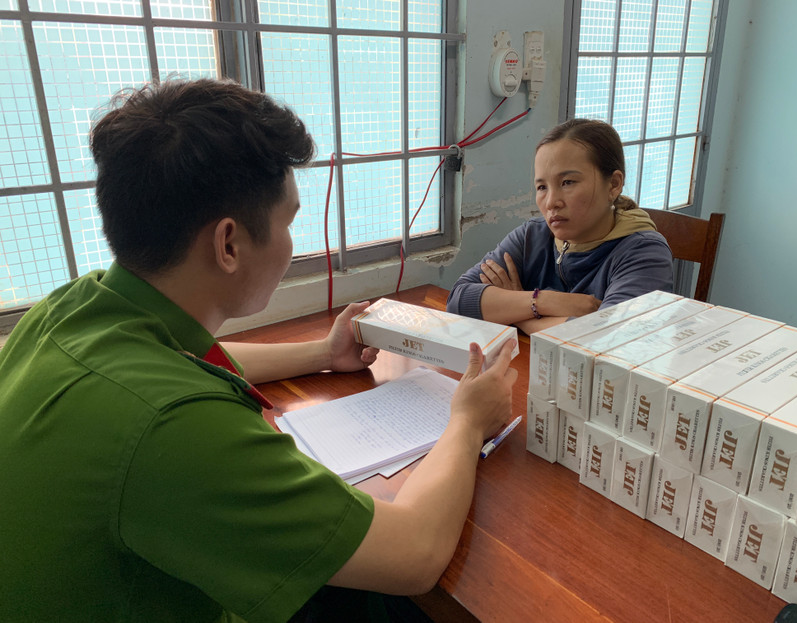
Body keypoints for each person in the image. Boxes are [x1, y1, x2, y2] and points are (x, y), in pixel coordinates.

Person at [0, 78, 517, 622]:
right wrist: (467, 422)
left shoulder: (69, 309)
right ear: (228, 244)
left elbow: (178, 365)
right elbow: (414, 554)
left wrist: (323, 353)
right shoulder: (173, 427)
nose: (293, 243)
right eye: (288, 221)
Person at [446, 118, 674, 334]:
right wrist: (544, 301)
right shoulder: (532, 236)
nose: (551, 202)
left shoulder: (645, 253)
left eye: (567, 182)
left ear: (614, 184)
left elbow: (604, 340)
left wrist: (516, 312)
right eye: (542, 187)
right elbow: (458, 300)